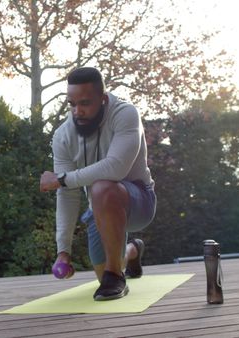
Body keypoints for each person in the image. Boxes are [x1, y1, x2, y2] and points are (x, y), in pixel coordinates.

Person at [40, 67, 156, 301]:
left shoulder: (125, 114)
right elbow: (67, 194)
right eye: (72, 104)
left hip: (139, 202)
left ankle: (117, 275)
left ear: (103, 100)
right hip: (99, 209)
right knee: (102, 273)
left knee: (102, 186)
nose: (77, 111)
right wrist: (63, 251)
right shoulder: (63, 136)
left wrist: (61, 179)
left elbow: (115, 168)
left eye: (84, 103)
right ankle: (133, 251)